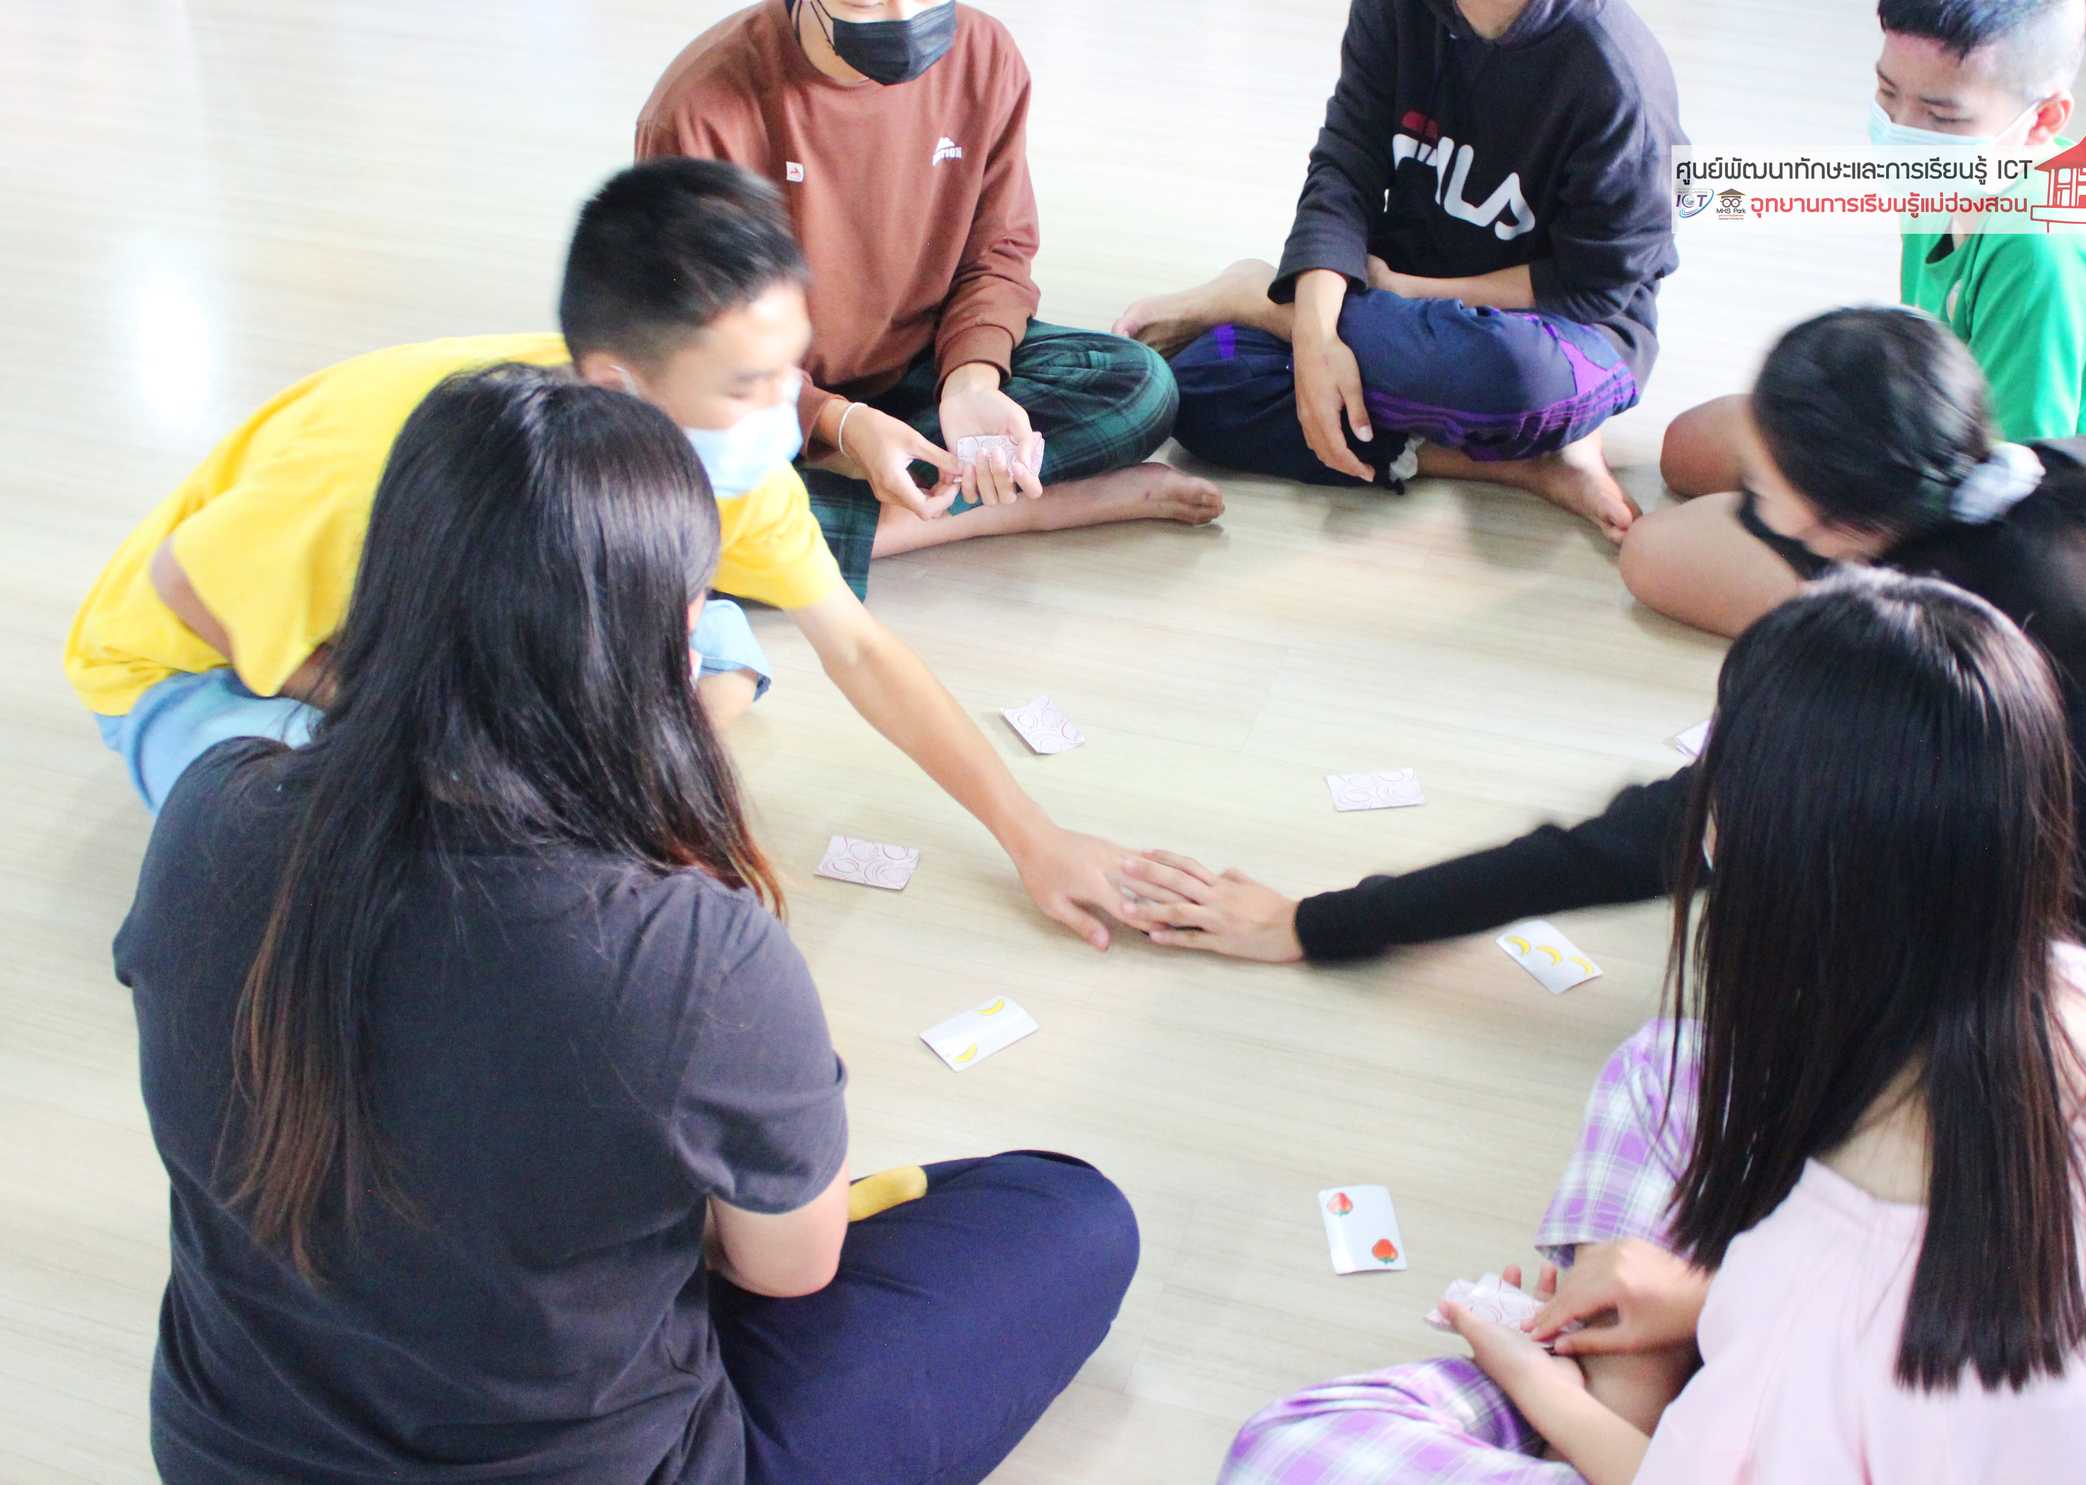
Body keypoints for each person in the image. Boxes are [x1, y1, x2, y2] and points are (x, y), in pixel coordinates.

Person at [113, 365, 1138, 1485]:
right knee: (1066, 1214)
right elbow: (785, 1271)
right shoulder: (693, 953)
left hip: (224, 1456)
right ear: (683, 637)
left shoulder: (211, 811)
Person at [1122, 306, 2086, 1199]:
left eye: (1763, 496)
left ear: (1836, 523)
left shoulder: (1937, 674)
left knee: (1819, 1094)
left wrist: (1320, 922)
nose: (1746, 512)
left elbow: (1642, 843)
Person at [1218, 571, 2086, 1483]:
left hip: (1754, 1428)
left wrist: (1543, 1389)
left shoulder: (1827, 1291)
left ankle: (1613, 1388)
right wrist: (1702, 1298)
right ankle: (1635, 1371)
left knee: (1293, 1447)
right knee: (1671, 1065)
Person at [65, 159, 1166, 949]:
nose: (787, 415)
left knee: (705, 665)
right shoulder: (382, 460)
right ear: (616, 385)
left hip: (463, 634)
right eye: (747, 385)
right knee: (359, 875)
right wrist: (400, 716)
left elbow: (861, 650)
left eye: (793, 370)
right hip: (200, 668)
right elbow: (186, 588)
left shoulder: (728, 465)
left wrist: (1033, 836)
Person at [1633, 0, 2086, 635]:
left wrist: (1839, 523)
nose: (1902, 130)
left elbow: (2013, 487)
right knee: (1691, 446)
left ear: (2043, 120)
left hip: (2060, 555)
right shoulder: (1953, 177)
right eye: (1887, 93)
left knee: (1657, 552)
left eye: (1941, 116)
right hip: (1951, 449)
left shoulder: (2043, 251)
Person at [636, 0, 1222, 581]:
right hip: (765, 400)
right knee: (659, 528)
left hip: (925, 365)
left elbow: (998, 252)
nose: (904, 17)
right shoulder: (698, 108)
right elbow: (698, 349)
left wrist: (971, 382)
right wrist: (839, 424)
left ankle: (865, 501)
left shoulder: (984, 54)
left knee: (1140, 385)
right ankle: (1011, 508)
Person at [1111, 0, 1682, 541]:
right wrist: (1318, 333)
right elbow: (1345, 166)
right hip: (1396, 309)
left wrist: (1400, 294)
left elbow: (1592, 286)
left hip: (1563, 331)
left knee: (1520, 383)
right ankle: (1521, 464)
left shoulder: (1617, 76)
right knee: (1202, 383)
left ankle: (1260, 300)